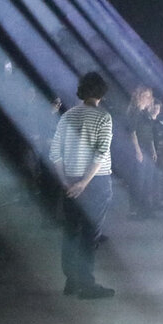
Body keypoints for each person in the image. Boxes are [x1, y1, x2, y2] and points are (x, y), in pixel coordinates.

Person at [50, 71, 117, 299]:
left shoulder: (67, 115)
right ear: (101, 92)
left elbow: (54, 153)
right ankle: (87, 284)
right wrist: (84, 183)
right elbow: (100, 154)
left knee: (71, 231)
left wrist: (67, 182)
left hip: (69, 180)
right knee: (90, 234)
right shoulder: (103, 117)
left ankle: (71, 281)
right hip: (96, 183)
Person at [125, 86, 159, 218]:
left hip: (147, 149)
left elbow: (149, 133)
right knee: (138, 181)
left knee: (147, 181)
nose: (149, 98)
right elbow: (132, 132)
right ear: (139, 97)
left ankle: (146, 209)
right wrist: (138, 151)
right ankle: (136, 210)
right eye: (146, 95)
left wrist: (153, 150)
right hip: (138, 150)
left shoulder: (145, 113)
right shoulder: (134, 111)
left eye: (150, 96)